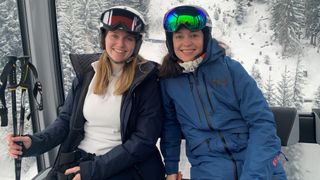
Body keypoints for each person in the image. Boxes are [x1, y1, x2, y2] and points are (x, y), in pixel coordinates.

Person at [7, 6, 165, 180]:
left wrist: (92, 171)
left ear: (136, 44)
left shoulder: (145, 81)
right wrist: (33, 143)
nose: (120, 44)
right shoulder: (88, 74)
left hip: (124, 168)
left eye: (128, 38)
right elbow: (65, 122)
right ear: (104, 37)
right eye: (114, 36)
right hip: (81, 162)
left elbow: (143, 141)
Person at [159, 5, 287, 180]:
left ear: (205, 37)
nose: (186, 43)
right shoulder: (169, 81)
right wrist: (171, 169)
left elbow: (262, 122)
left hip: (257, 165)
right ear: (170, 41)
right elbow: (170, 127)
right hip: (209, 168)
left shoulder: (231, 70)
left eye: (194, 35)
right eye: (179, 36)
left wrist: (253, 175)